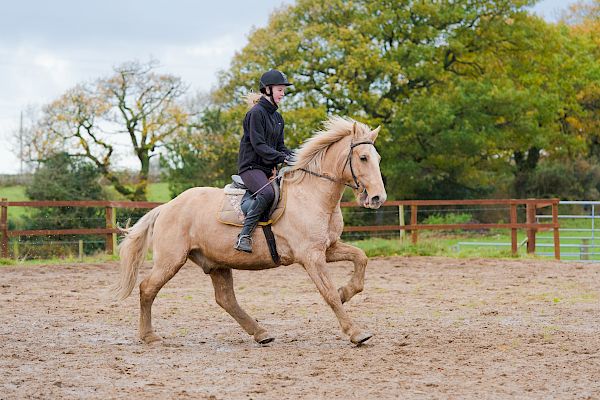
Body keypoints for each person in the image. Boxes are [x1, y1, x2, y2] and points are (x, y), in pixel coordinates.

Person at [234, 69, 295, 253]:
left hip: (268, 169)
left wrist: (295, 157)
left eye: (283, 90)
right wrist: (282, 157)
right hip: (251, 167)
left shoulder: (278, 118)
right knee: (267, 194)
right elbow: (259, 145)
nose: (283, 94)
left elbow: (280, 146)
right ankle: (244, 236)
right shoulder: (255, 113)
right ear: (267, 89)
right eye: (280, 90)